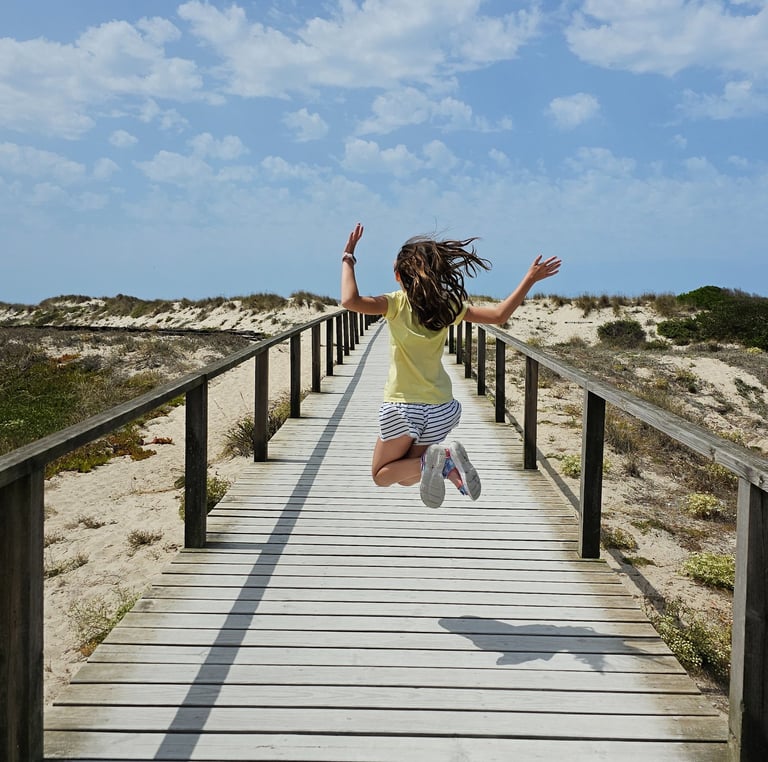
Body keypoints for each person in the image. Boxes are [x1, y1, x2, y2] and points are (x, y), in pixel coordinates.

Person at [340, 222, 561, 508]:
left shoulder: (395, 303)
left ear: (398, 276)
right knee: (409, 475)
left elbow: (349, 300)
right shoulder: (447, 306)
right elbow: (498, 315)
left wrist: (348, 255)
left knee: (382, 476)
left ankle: (445, 460)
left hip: (403, 407)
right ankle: (448, 469)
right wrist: (530, 279)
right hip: (441, 408)